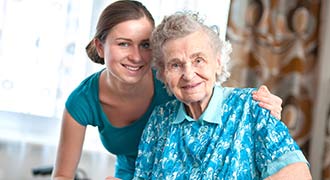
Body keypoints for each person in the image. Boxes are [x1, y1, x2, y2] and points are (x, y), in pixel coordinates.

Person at [52, 1, 283, 180]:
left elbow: (210, 95)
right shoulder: (82, 102)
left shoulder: (171, 79)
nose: (136, 56)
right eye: (123, 43)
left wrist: (258, 108)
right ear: (100, 47)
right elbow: (62, 175)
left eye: (145, 45)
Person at [133, 12, 311, 179]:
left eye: (198, 60)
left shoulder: (251, 106)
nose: (188, 74)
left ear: (218, 62)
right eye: (175, 65)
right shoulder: (159, 119)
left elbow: (297, 173)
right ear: (163, 73)